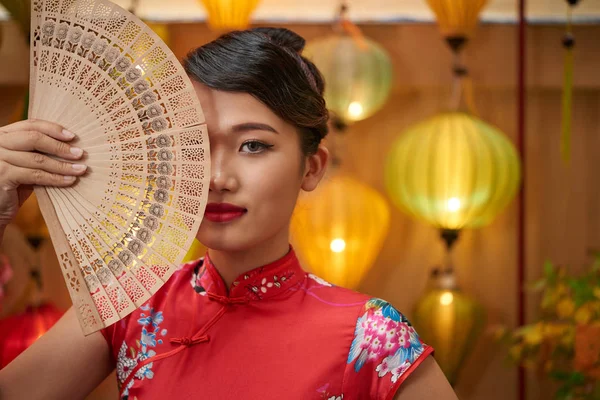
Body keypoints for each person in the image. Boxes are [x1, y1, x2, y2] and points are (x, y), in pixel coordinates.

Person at [0, 27, 457, 399]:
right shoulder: (131, 307)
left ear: (311, 167)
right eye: (195, 145)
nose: (216, 176)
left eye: (253, 145)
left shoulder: (373, 338)